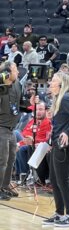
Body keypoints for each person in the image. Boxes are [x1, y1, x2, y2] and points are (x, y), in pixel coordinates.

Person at [42, 71, 69, 227]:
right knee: (54, 180)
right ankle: (59, 213)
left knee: (62, 181)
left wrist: (68, 132)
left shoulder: (67, 98)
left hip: (65, 147)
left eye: (53, 81)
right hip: (56, 144)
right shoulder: (58, 101)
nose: (50, 83)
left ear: (60, 84)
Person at [0, 61, 23, 200]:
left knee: (11, 160)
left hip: (12, 129)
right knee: (2, 160)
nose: (18, 72)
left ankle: (5, 185)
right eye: (15, 70)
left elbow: (21, 104)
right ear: (7, 73)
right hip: (1, 128)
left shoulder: (18, 84)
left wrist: (30, 102)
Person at [16, 101, 52, 182]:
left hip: (39, 145)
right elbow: (24, 133)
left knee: (21, 147)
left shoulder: (47, 122)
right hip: (27, 141)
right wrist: (21, 142)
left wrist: (29, 140)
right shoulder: (32, 121)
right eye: (36, 110)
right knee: (15, 141)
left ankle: (24, 175)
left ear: (45, 111)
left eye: (41, 109)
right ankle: (18, 175)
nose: (38, 112)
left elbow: (45, 139)